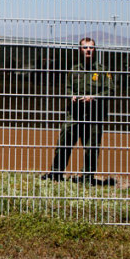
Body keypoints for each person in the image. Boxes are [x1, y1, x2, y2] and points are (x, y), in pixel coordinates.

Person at [42, 38, 115, 186]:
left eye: (91, 48)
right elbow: (68, 88)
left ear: (95, 50)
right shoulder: (74, 70)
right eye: (85, 48)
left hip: (94, 116)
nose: (88, 50)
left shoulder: (102, 71)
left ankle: (87, 178)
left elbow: (110, 90)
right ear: (80, 50)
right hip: (74, 115)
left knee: (91, 148)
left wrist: (94, 97)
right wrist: (72, 95)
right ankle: (56, 174)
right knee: (63, 144)